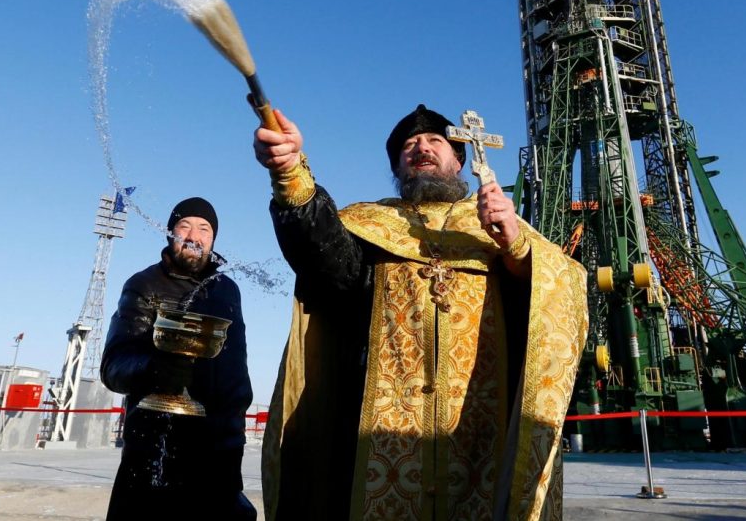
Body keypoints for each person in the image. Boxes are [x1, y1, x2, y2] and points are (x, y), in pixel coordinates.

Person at [255, 105, 588, 520]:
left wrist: (517, 248)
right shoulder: (371, 225)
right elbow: (324, 260)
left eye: (435, 141)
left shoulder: (496, 224)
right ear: (397, 166)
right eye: (409, 146)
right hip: (378, 434)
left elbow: (556, 294)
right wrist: (289, 174)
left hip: (480, 426)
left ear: (459, 160)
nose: (421, 148)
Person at [101, 197, 255, 519]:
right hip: (155, 454)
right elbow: (114, 366)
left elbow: (236, 376)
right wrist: (154, 369)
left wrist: (234, 441)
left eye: (204, 229)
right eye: (184, 226)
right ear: (170, 233)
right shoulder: (144, 284)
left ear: (213, 240)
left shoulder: (227, 290)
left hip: (219, 456)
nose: (194, 236)